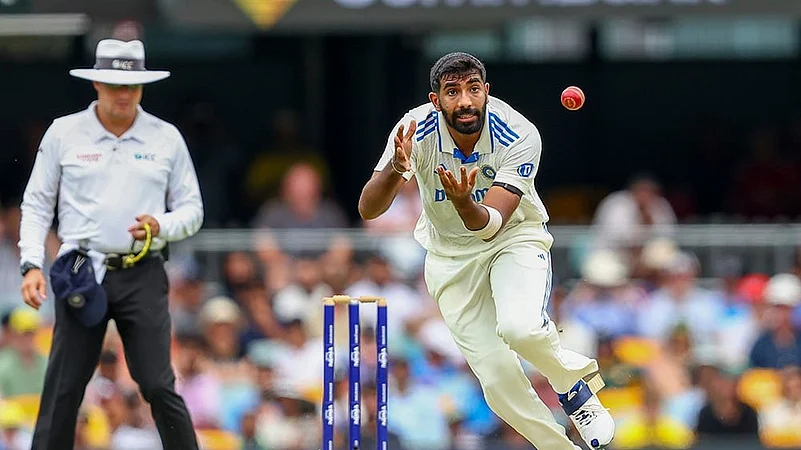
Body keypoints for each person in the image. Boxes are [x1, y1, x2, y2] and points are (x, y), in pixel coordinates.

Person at [358, 52, 615, 449]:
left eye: (473, 90)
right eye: (452, 92)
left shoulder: (519, 133)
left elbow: (491, 223)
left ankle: (575, 387)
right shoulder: (414, 130)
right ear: (435, 100)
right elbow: (368, 208)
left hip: (512, 240)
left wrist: (463, 202)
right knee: (496, 381)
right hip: (448, 259)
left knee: (520, 328)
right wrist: (395, 167)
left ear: (486, 92)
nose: (464, 101)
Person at [18, 39, 203, 450]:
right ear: (96, 84)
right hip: (81, 270)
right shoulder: (64, 132)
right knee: (65, 387)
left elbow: (192, 210)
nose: (123, 95)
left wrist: (162, 226)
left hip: (144, 270)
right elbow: (36, 204)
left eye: (132, 86)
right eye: (114, 85)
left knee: (157, 382)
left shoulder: (165, 137)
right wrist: (30, 264)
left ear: (142, 88)